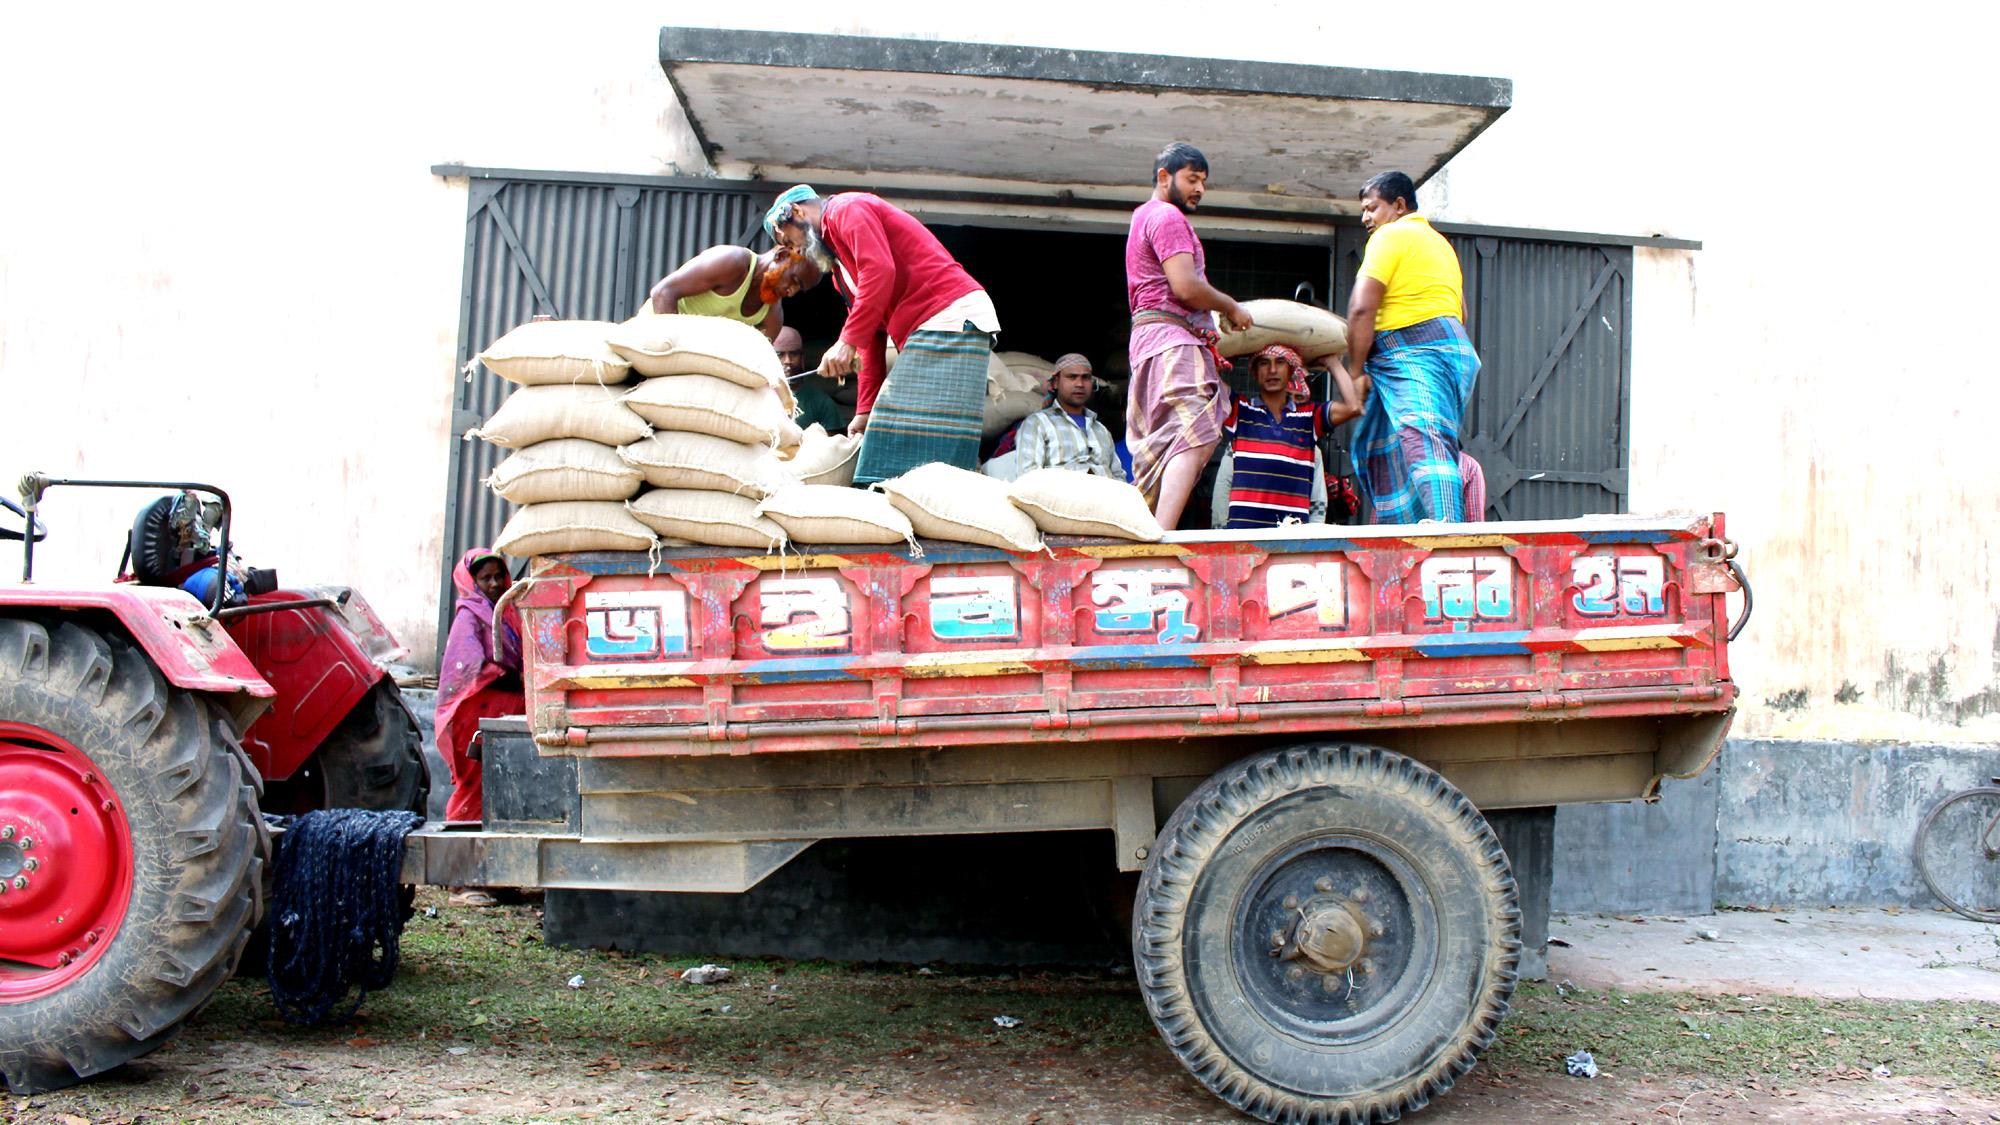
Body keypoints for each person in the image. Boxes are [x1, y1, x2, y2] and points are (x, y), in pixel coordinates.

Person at [764, 184, 999, 485]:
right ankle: (910, 498)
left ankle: (914, 496)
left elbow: (880, 270)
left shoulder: (846, 209)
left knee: (897, 421)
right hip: (934, 323)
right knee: (891, 424)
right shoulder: (841, 274)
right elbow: (870, 340)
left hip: (951, 314)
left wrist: (845, 342)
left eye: (789, 240)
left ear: (797, 212)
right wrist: (863, 410)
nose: (797, 250)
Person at [1124, 142, 1254, 530]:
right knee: (1193, 432)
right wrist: (1230, 306)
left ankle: (1144, 526)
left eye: (1203, 182)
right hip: (1171, 341)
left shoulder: (1142, 216)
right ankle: (1159, 532)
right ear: (1164, 177)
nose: (1199, 189)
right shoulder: (1166, 217)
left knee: (1168, 439)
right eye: (1192, 179)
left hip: (1151, 341)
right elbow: (1185, 286)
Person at [1345, 170, 1481, 523]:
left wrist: (1356, 372)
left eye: (1371, 208)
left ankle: (1445, 533)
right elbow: (1461, 310)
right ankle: (1401, 534)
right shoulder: (1439, 243)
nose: (1365, 218)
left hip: (1412, 347)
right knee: (1379, 444)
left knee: (1424, 439)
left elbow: (1362, 307)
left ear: (1399, 205)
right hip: (1451, 348)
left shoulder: (1391, 236)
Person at [435, 549, 522, 851]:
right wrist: (512, 677)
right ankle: (461, 874)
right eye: (486, 579)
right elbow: (469, 667)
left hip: (504, 718)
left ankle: (494, 868)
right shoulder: (469, 617)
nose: (495, 584)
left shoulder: (507, 615)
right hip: (478, 719)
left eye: (499, 576)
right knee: (475, 788)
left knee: (504, 789)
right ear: (471, 582)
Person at [1220, 344, 1363, 529]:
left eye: (1280, 362)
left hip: (1291, 540)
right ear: (1254, 372)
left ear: (1291, 372)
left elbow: (1353, 406)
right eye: (1264, 363)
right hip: (1244, 538)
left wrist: (1332, 363)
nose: (1272, 370)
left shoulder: (1309, 417)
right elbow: (1207, 380)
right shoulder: (1241, 411)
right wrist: (1230, 357)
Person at [644, 244, 823, 340]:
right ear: (782, 255)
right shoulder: (732, 262)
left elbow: (756, 363)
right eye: (794, 280)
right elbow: (662, 293)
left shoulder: (772, 317)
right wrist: (672, 350)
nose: (791, 293)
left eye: (799, 289)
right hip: (653, 334)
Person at [1014, 353, 1121, 479]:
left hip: (1105, 496)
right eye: (1072, 377)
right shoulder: (1036, 423)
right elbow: (1028, 476)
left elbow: (1119, 476)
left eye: (1085, 378)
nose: (1080, 384)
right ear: (1055, 383)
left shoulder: (1101, 430)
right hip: (1058, 496)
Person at [775, 326, 847, 434]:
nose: (788, 361)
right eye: (780, 355)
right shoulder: (758, 396)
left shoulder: (821, 402)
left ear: (802, 358)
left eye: (794, 354)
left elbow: (836, 444)